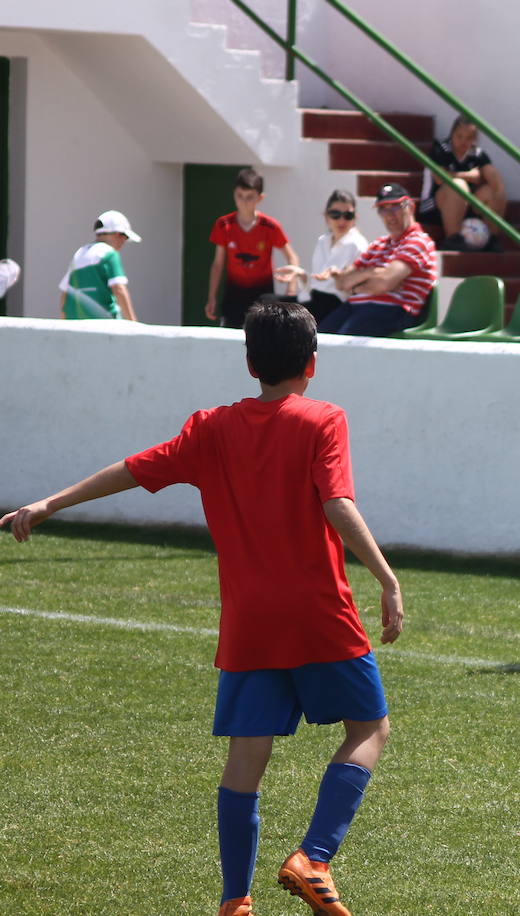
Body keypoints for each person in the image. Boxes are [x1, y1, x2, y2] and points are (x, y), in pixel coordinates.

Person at [1, 298, 404, 916]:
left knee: (248, 753)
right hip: (318, 611)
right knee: (368, 728)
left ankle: (235, 901)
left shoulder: (211, 428)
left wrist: (49, 503)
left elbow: (134, 470)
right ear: (312, 364)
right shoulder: (323, 419)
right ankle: (314, 858)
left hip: (249, 620)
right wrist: (387, 577)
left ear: (250, 364)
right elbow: (337, 503)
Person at [317, 184, 438, 337]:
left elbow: (383, 283)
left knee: (341, 345)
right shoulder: (379, 244)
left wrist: (357, 285)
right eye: (383, 209)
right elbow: (341, 282)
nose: (389, 215)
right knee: (319, 342)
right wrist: (374, 272)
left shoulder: (417, 241)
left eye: (395, 207)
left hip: (392, 310)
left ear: (411, 207)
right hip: (357, 307)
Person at [206, 168, 299, 329]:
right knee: (231, 339)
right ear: (234, 194)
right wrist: (212, 296)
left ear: (260, 198)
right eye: (239, 196)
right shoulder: (224, 225)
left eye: (249, 197)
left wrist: (291, 289)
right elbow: (218, 264)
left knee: (262, 340)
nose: (244, 201)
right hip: (234, 294)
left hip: (263, 294)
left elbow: (292, 257)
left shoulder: (270, 226)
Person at [275, 190, 369, 326]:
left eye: (348, 215)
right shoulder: (323, 241)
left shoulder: (358, 245)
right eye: (335, 214)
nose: (342, 220)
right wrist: (301, 275)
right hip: (316, 300)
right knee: (266, 303)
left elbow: (352, 289)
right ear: (326, 216)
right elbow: (316, 284)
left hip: (337, 305)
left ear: (355, 218)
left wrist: (339, 275)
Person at [416, 115, 508, 251]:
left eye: (469, 138)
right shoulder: (440, 149)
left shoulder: (477, 153)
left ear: (475, 139)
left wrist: (489, 178)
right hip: (433, 207)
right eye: (459, 136)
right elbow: (439, 178)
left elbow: (496, 182)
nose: (463, 142)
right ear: (452, 134)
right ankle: (453, 238)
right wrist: (469, 176)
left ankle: (491, 238)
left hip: (464, 206)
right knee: (458, 185)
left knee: (492, 190)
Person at [58, 210, 141, 321]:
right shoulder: (109, 253)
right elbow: (119, 289)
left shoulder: (80, 253)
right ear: (118, 234)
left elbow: (64, 295)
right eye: (125, 237)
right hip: (104, 326)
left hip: (75, 325)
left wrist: (64, 325)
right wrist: (133, 324)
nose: (124, 242)